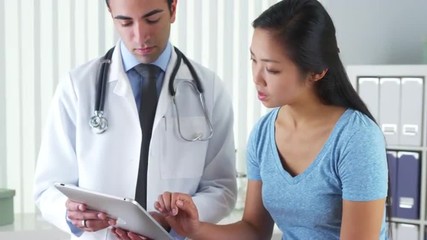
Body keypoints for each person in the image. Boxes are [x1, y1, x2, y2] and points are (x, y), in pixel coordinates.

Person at [154, 0, 390, 239]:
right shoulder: (264, 133)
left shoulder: (357, 139)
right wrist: (195, 228)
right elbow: (254, 230)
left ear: (317, 71)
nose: (257, 78)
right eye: (253, 60)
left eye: (272, 69)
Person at [33, 0, 237, 239]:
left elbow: (222, 187)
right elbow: (48, 187)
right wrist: (71, 213)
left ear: (173, 9)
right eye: (125, 22)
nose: (140, 36)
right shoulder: (78, 87)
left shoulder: (209, 88)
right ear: (111, 14)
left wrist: (177, 218)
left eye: (152, 19)